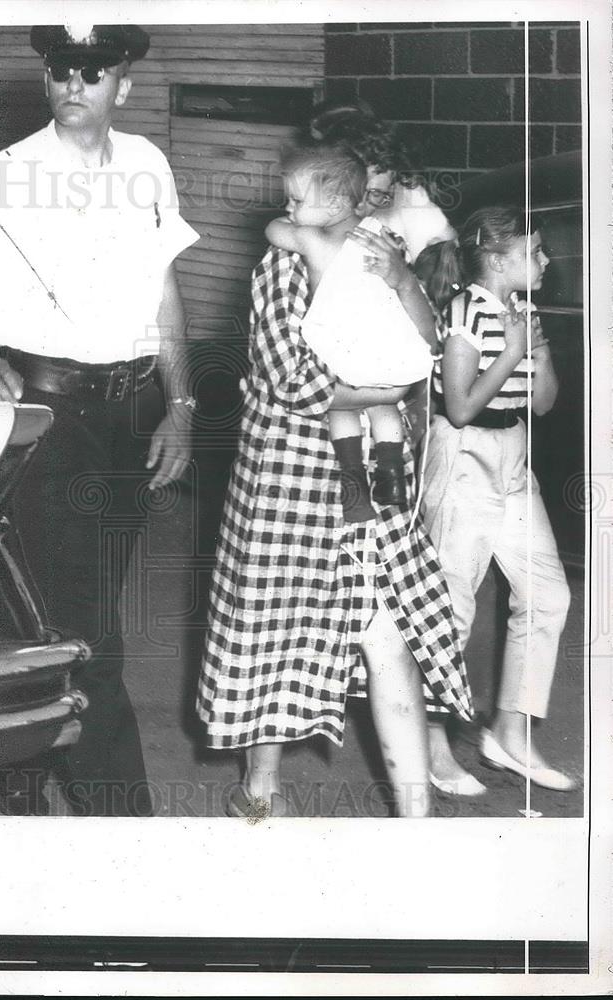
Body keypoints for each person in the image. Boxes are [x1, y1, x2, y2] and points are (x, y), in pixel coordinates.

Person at [0, 24, 199, 816]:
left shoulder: (148, 166)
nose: (74, 82)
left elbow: (164, 295)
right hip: (48, 412)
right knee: (88, 630)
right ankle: (123, 823)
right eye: (62, 68)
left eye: (93, 71)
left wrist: (183, 410)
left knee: (78, 611)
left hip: (131, 413)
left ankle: (32, 780)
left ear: (122, 86)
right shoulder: (7, 171)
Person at [197, 133, 475, 820]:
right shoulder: (281, 268)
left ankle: (417, 819)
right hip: (287, 479)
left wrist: (403, 287)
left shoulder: (382, 259)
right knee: (273, 633)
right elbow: (294, 383)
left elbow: (429, 347)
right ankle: (260, 790)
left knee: (390, 639)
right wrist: (380, 392)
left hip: (369, 490)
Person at [417, 207, 575, 794]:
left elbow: (544, 404)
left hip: (512, 456)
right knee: (451, 609)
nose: (544, 261)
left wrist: (537, 349)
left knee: (548, 595)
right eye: (533, 252)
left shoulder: (521, 312)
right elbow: (458, 406)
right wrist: (510, 353)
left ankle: (509, 733)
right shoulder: (463, 311)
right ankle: (431, 746)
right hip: (463, 458)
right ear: (499, 257)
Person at [264, 139, 433, 519]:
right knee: (383, 402)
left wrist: (280, 221)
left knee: (342, 412)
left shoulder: (312, 239)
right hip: (393, 355)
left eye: (296, 201)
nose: (288, 209)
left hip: (345, 356)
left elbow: (274, 232)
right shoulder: (384, 237)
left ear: (337, 204)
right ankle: (390, 472)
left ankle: (354, 482)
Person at [308, 101, 456, 263]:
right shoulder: (310, 211)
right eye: (354, 188)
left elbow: (447, 249)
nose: (360, 203)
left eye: (375, 193)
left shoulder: (407, 193)